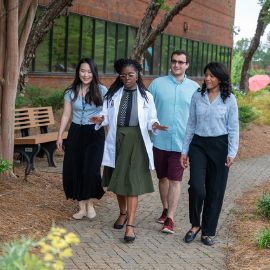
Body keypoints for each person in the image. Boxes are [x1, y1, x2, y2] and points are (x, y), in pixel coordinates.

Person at [91, 58, 167, 243]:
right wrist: (100, 120)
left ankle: (130, 226)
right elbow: (106, 115)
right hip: (117, 140)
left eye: (131, 75)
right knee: (118, 179)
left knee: (132, 182)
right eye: (123, 75)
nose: (127, 78)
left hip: (136, 141)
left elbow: (150, 119)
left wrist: (155, 124)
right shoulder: (112, 95)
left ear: (138, 74)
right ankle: (123, 213)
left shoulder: (146, 96)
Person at [181, 62, 239, 246]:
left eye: (212, 76)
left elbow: (234, 128)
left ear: (220, 78)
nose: (207, 78)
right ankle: (195, 225)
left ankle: (208, 231)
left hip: (220, 146)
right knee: (197, 187)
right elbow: (190, 124)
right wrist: (185, 150)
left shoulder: (229, 99)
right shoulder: (197, 96)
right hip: (198, 144)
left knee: (215, 191)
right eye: (206, 75)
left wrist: (232, 152)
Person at [148, 50, 199, 234]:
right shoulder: (157, 84)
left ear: (187, 65)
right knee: (162, 178)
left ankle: (170, 219)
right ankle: (164, 208)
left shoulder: (195, 88)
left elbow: (197, 116)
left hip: (181, 144)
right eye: (174, 61)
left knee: (175, 180)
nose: (177, 65)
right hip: (159, 141)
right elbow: (148, 109)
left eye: (181, 62)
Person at [56, 58, 107, 220]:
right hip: (76, 133)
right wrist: (59, 135)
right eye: (83, 71)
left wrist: (101, 119)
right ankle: (81, 206)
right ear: (78, 72)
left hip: (95, 133)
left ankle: (90, 203)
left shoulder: (102, 90)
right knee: (76, 168)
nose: (86, 74)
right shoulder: (70, 91)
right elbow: (66, 115)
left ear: (94, 72)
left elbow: (108, 114)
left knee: (91, 169)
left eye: (89, 71)